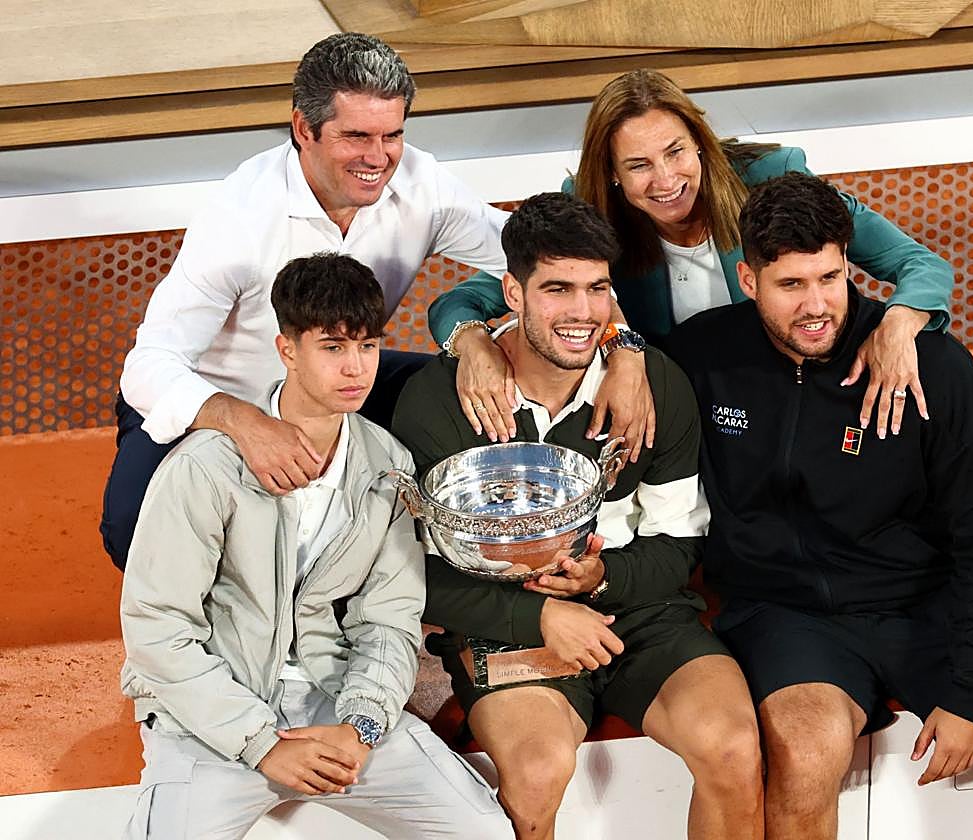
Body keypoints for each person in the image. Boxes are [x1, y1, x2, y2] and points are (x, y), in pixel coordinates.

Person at [670, 172, 973, 840]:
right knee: (805, 759)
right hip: (788, 615)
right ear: (748, 279)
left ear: (849, 266)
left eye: (830, 278)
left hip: (929, 600)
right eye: (790, 285)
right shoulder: (703, 356)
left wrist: (966, 694)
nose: (816, 306)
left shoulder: (931, 364)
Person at [393, 192, 763, 840]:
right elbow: (415, 573)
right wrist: (540, 614)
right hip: (507, 623)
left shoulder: (654, 384)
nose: (582, 312)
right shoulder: (438, 400)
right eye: (557, 289)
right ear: (512, 292)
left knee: (734, 748)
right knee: (537, 773)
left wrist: (601, 581)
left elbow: (680, 541)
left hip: (639, 612)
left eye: (597, 289)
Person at [119, 253, 512, 840]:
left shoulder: (387, 464)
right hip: (213, 719)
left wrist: (361, 723)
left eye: (369, 346)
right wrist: (258, 743)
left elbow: (389, 617)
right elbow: (157, 629)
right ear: (287, 350)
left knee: (481, 833)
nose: (356, 368)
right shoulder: (204, 467)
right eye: (332, 347)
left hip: (334, 703)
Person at [101, 32, 509, 570]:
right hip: (222, 398)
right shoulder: (238, 218)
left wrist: (473, 336)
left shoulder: (421, 183)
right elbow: (149, 366)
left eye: (392, 135)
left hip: (343, 378)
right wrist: (247, 423)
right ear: (303, 129)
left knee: (464, 394)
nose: (378, 157)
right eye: (356, 136)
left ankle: (436, 577)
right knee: (134, 530)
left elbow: (530, 259)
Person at [427, 68, 954, 457]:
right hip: (686, 406)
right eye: (638, 165)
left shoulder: (774, 177)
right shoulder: (591, 209)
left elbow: (919, 265)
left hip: (792, 382)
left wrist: (898, 325)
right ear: (610, 174)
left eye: (676, 152)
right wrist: (472, 343)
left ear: (700, 145)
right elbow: (464, 300)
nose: (665, 179)